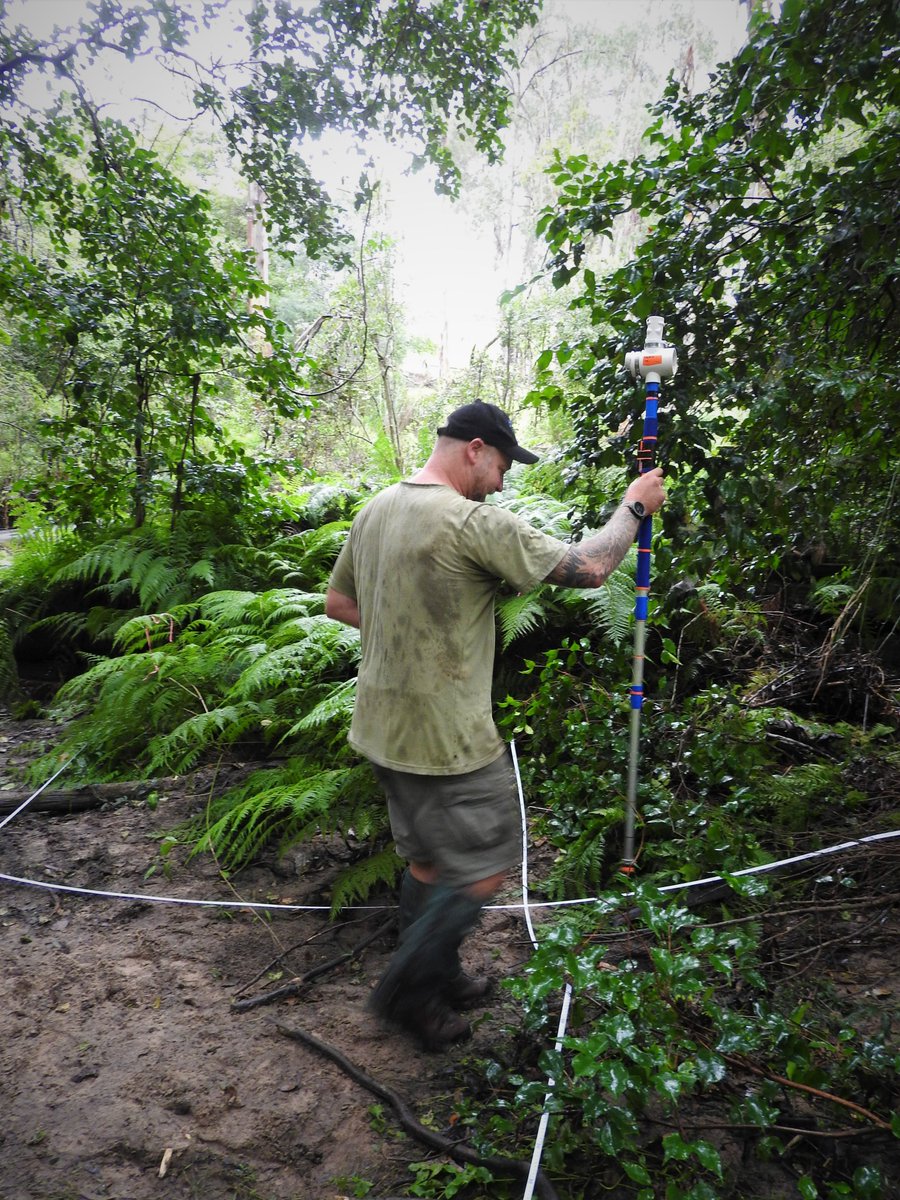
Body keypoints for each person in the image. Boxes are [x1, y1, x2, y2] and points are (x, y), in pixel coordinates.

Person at [325, 399, 665, 1050]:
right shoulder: (469, 522)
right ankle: (409, 990)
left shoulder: (376, 509)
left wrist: (415, 631)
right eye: (504, 464)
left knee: (428, 860)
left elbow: (340, 603)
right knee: (485, 866)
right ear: (475, 448)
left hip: (380, 727)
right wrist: (635, 507)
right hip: (446, 735)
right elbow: (591, 568)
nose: (505, 481)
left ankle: (438, 978)